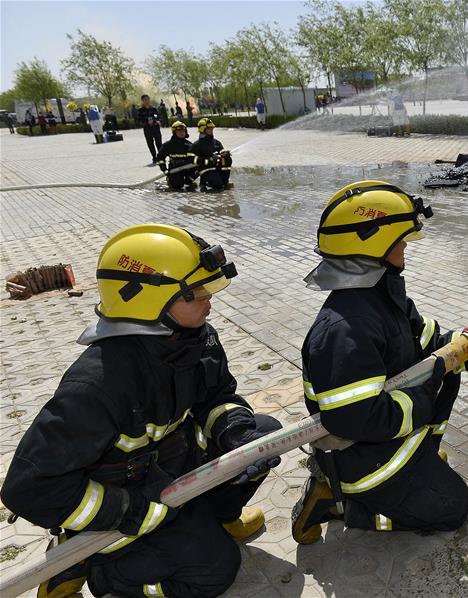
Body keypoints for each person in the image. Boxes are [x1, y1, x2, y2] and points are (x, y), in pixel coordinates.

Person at [0, 223, 282, 598]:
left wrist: (236, 432)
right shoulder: (98, 384)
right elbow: (28, 490)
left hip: (172, 475)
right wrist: (129, 509)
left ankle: (215, 518)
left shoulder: (195, 340)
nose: (209, 300)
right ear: (147, 300)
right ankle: (94, 569)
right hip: (127, 505)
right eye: (197, 293)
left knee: (265, 435)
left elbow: (216, 397)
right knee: (216, 571)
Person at [290, 181, 468, 543]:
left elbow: (431, 346)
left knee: (443, 374)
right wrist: (427, 390)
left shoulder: (380, 296)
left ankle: (418, 460)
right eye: (400, 242)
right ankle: (337, 503)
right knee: (452, 508)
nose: (406, 249)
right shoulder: (345, 329)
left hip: (383, 441)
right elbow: (355, 419)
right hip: (363, 459)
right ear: (372, 245)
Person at [191, 118, 232, 191]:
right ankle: (204, 182)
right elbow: (193, 160)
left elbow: (221, 151)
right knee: (218, 186)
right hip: (205, 169)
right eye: (209, 128)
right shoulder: (196, 145)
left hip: (215, 167)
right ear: (202, 129)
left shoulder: (216, 142)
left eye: (212, 128)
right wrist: (208, 160)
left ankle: (224, 181)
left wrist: (225, 154)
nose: (211, 130)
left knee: (227, 159)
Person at [157, 121, 198, 190]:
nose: (182, 133)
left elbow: (195, 158)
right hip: (175, 169)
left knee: (200, 167)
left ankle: (189, 181)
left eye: (183, 131)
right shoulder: (168, 145)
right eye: (179, 131)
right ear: (174, 132)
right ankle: (170, 180)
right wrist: (165, 170)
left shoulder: (190, 145)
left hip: (188, 168)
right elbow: (160, 157)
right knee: (177, 186)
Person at [138, 94, 163, 166]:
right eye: (145, 100)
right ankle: (154, 157)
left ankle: (161, 157)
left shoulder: (154, 109)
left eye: (148, 99)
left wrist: (157, 121)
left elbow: (158, 117)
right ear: (142, 101)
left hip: (156, 128)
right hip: (147, 129)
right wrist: (146, 121)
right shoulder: (140, 111)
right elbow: (139, 120)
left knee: (159, 143)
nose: (147, 101)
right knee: (150, 144)